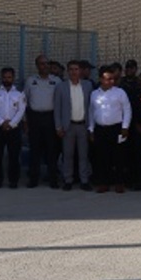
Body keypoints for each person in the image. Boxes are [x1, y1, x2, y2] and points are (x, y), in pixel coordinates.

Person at [88, 67, 132, 193]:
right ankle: (103, 182)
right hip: (100, 129)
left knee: (118, 157)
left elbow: (127, 110)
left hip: (117, 128)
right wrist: (91, 129)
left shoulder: (120, 92)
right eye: (108, 79)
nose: (111, 81)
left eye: (113, 79)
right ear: (101, 79)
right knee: (102, 157)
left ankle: (119, 182)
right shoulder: (94, 94)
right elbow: (91, 112)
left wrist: (125, 127)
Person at [54, 59, 94, 192]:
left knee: (83, 155)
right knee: (68, 155)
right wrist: (58, 126)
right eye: (71, 69)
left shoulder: (88, 85)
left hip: (83, 125)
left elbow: (91, 107)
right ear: (67, 71)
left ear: (80, 71)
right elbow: (57, 108)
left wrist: (91, 127)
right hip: (68, 126)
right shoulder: (61, 87)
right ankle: (68, 180)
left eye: (76, 69)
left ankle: (84, 180)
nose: (74, 72)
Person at [24, 54, 61, 188]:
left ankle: (53, 179)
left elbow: (60, 102)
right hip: (34, 118)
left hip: (50, 118)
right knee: (35, 150)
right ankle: (33, 179)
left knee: (52, 150)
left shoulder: (56, 81)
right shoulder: (30, 81)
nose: (44, 66)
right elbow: (24, 101)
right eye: (41, 64)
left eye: (46, 63)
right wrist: (25, 122)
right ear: (37, 66)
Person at [0, 66, 26, 189]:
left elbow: (21, 111)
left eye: (9, 77)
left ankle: (13, 181)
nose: (7, 79)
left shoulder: (20, 94)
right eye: (4, 77)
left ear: (13, 78)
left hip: (14, 129)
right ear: (1, 78)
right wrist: (1, 123)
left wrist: (11, 124)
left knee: (14, 156)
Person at [122, 59, 141, 190]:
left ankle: (140, 179)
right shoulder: (121, 84)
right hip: (124, 122)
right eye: (128, 67)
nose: (130, 70)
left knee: (139, 153)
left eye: (132, 68)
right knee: (126, 154)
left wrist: (139, 124)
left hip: (138, 122)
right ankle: (127, 179)